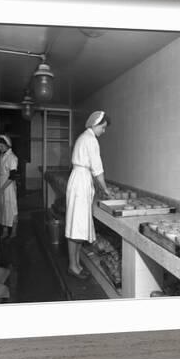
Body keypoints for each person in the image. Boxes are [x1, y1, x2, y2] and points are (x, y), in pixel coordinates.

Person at [65, 111, 115, 279]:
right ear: (95, 124)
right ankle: (73, 266)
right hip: (80, 183)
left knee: (78, 226)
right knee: (76, 227)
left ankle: (76, 264)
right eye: (103, 127)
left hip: (80, 180)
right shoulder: (90, 140)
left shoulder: (84, 137)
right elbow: (97, 168)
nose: (104, 131)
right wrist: (106, 189)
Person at [0, 135, 19, 240]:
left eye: (1, 146)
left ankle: (13, 231)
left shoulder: (12, 157)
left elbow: (12, 176)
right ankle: (5, 231)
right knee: (3, 209)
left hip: (8, 187)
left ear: (7, 145)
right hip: (2, 186)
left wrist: (2, 189)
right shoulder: (1, 156)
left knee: (12, 209)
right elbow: (0, 173)